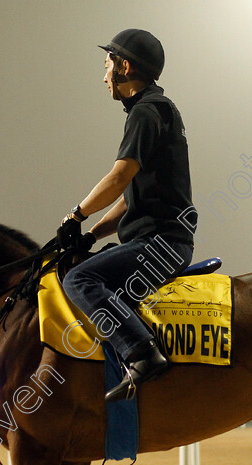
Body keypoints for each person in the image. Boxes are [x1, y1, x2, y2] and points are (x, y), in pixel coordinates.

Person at [58, 29, 197, 402]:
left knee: (78, 280)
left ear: (125, 66)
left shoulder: (145, 113)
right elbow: (131, 198)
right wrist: (92, 234)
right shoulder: (156, 110)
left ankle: (142, 354)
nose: (103, 77)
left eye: (107, 66)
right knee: (86, 264)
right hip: (160, 239)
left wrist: (76, 215)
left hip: (161, 244)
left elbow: (119, 177)